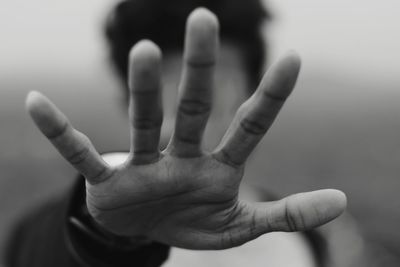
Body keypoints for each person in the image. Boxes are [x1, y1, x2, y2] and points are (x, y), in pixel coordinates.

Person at [6, 1, 393, 266]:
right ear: (130, 96)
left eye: (215, 87)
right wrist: (110, 240)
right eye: (164, 85)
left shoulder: (294, 232)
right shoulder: (70, 226)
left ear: (253, 93)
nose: (191, 112)